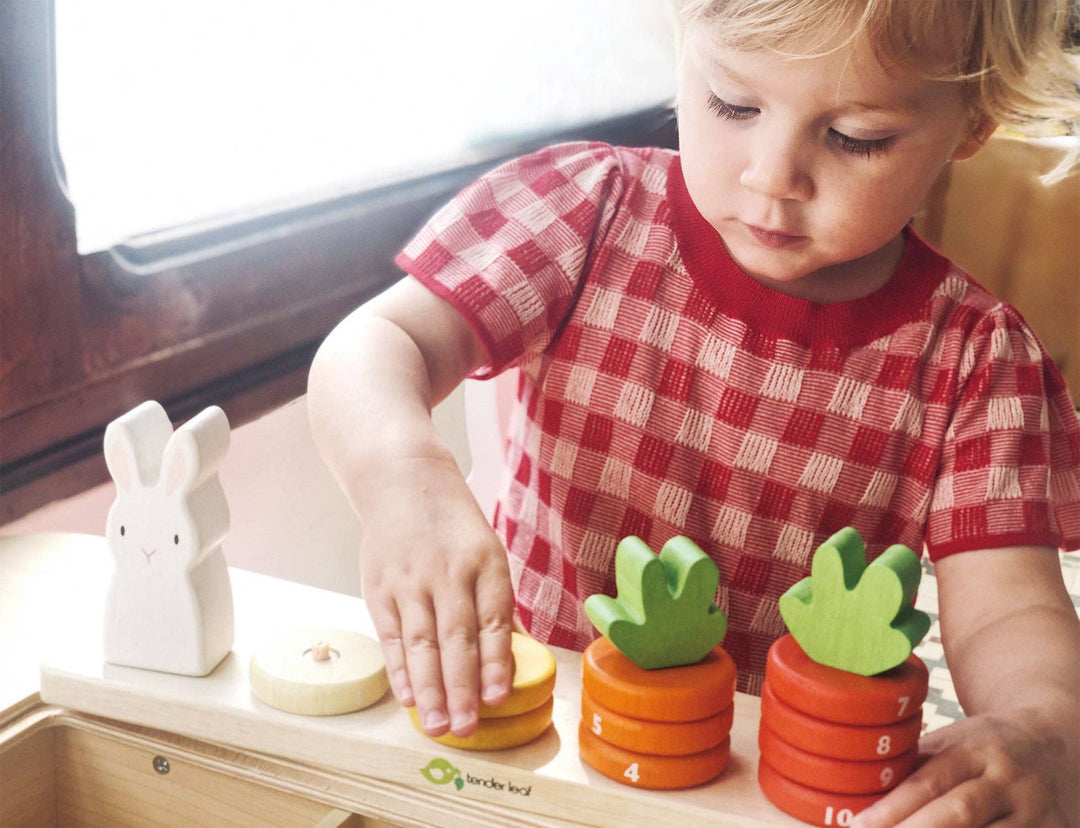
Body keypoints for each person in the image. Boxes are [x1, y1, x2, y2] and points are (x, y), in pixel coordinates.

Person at [308, 0, 1080, 823]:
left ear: (974, 122)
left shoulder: (978, 360)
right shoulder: (584, 210)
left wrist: (1047, 727)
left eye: (856, 138)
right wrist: (403, 479)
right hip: (529, 747)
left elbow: (1010, 611)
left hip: (762, 793)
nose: (772, 176)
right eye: (733, 105)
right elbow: (378, 342)